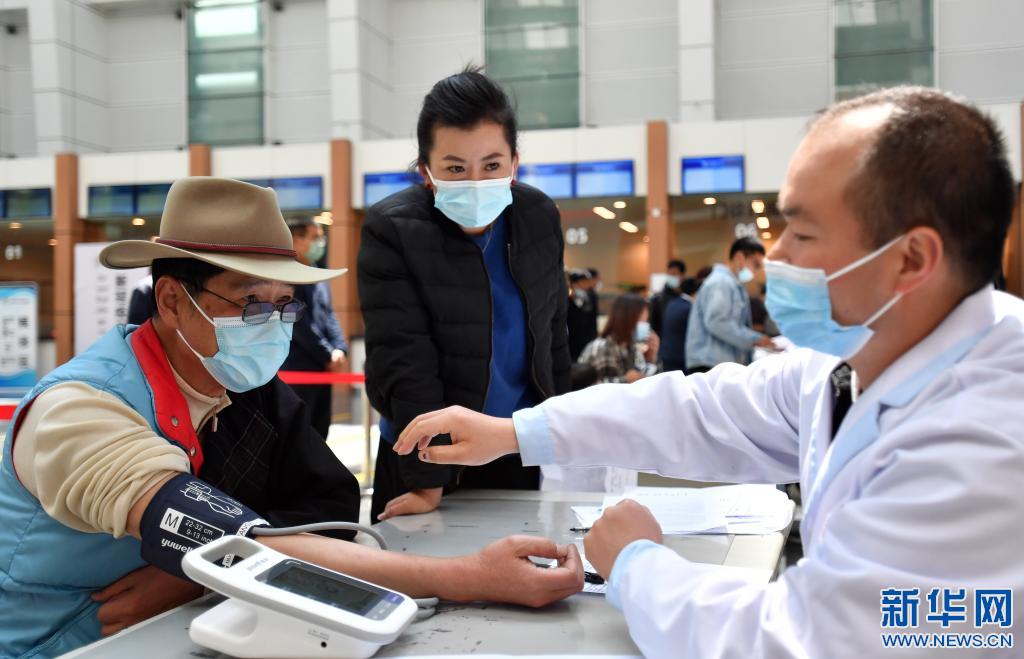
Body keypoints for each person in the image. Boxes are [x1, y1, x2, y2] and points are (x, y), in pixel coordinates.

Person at [391, 87, 1024, 657]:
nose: (775, 256)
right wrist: (514, 431)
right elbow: (705, 410)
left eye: (803, 234)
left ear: (910, 259)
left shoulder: (984, 444)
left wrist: (637, 563)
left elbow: (804, 640)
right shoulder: (859, 356)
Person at [0, 177, 582, 658]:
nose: (274, 325)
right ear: (173, 299)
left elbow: (318, 509)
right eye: (252, 303)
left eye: (285, 305)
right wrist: (470, 576)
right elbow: (230, 537)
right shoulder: (82, 410)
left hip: (189, 629)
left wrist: (190, 576)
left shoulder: (243, 388)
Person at [357, 67, 571, 524]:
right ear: (426, 172)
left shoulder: (538, 216)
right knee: (420, 562)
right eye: (455, 168)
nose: (475, 181)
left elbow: (553, 333)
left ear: (514, 163)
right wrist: (426, 479)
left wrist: (556, 433)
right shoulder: (393, 229)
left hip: (512, 443)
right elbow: (403, 358)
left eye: (491, 165)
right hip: (424, 452)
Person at [281, 215, 348, 439]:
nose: (321, 242)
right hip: (298, 370)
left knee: (320, 432)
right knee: (299, 434)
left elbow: (329, 316)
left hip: (322, 370)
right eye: (314, 237)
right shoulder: (286, 277)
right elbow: (299, 323)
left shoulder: (318, 274)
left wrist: (340, 349)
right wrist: (328, 354)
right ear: (295, 240)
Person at [685, 237, 774, 374]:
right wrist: (755, 339)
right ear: (739, 257)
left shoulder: (732, 284)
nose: (755, 271)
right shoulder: (721, 283)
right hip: (710, 365)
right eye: (755, 264)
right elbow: (717, 322)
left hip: (718, 363)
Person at [578, 294, 659, 384]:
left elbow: (645, 379)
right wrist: (626, 380)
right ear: (625, 319)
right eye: (641, 320)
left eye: (646, 321)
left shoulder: (631, 346)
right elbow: (595, 387)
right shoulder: (603, 347)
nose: (645, 327)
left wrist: (651, 358)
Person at [657, 277, 698, 372]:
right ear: (695, 292)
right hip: (681, 355)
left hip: (666, 352)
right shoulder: (690, 308)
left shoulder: (672, 303)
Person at [648, 258, 686, 339]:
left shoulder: (685, 297)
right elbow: (652, 325)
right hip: (662, 341)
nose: (671, 277)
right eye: (669, 274)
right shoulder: (658, 299)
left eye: (675, 274)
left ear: (682, 276)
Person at [566, 268, 598, 361]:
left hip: (588, 334)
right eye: (585, 281)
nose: (588, 284)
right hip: (574, 336)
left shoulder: (589, 295)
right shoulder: (569, 296)